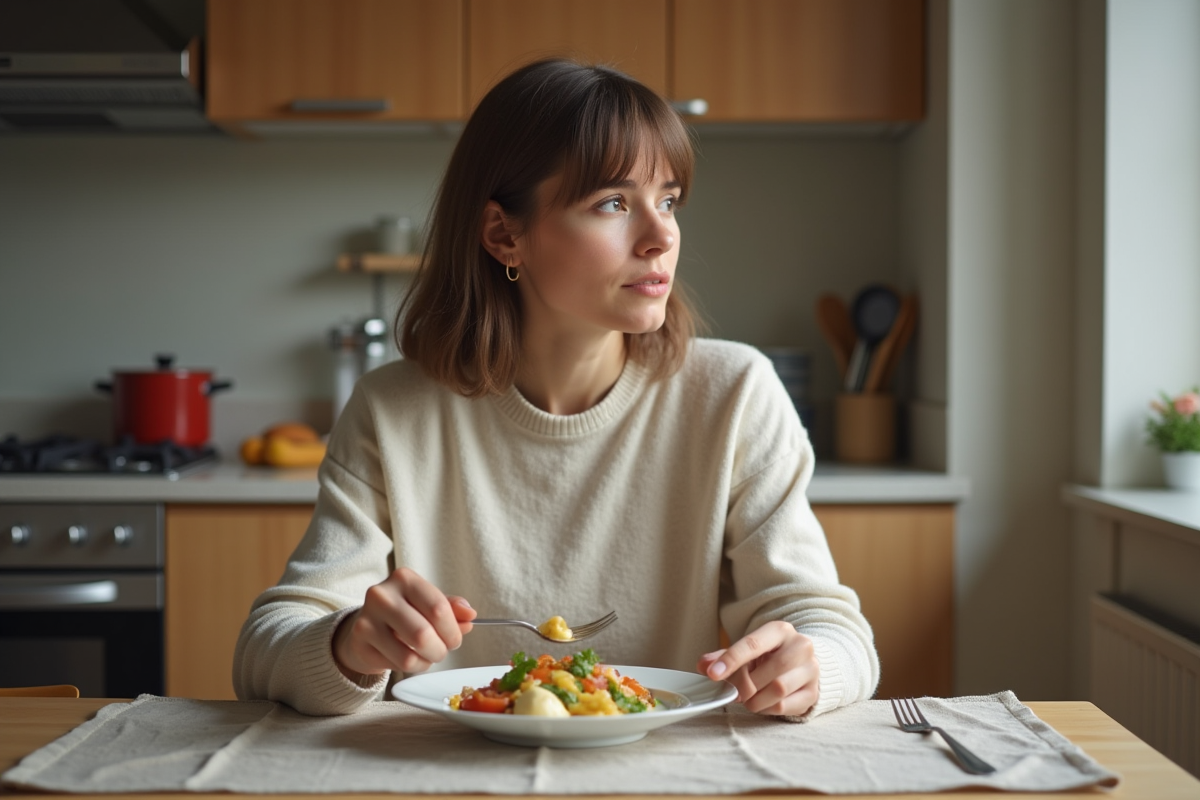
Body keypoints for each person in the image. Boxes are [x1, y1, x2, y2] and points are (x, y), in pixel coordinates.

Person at [233, 58, 879, 720]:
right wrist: (347, 645)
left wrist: (812, 665)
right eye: (613, 204)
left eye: (668, 200)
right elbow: (265, 649)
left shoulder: (734, 393)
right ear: (504, 235)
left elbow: (832, 631)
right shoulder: (393, 410)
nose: (661, 237)